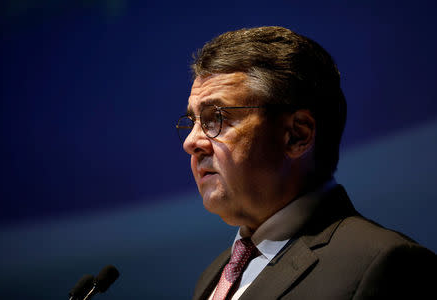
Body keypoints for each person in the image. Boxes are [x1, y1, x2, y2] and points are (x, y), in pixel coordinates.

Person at [176, 26, 435, 300]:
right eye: (193, 122)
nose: (191, 142)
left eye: (216, 118)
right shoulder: (215, 274)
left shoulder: (385, 265)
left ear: (297, 134)